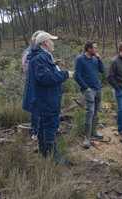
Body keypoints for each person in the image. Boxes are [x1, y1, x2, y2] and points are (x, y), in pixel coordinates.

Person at [26, 32, 74, 165]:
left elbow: (46, 74)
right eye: (51, 41)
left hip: (47, 99)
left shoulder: (42, 57)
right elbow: (45, 78)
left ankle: (45, 154)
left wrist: (54, 66)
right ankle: (54, 158)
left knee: (43, 126)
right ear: (45, 43)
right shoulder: (39, 58)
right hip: (47, 100)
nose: (53, 43)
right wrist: (65, 74)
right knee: (50, 127)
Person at [74, 41, 105, 149]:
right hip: (89, 90)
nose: (96, 50)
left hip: (98, 88)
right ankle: (86, 138)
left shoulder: (95, 59)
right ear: (88, 49)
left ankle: (94, 132)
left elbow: (102, 70)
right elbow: (76, 75)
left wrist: (100, 59)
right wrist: (85, 88)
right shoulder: (80, 59)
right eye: (94, 48)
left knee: (96, 112)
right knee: (90, 112)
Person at [22, 30, 44, 139]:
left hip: (42, 83)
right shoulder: (28, 52)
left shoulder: (41, 52)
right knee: (35, 107)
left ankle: (42, 129)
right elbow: (26, 68)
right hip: (33, 84)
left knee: (42, 106)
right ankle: (35, 131)